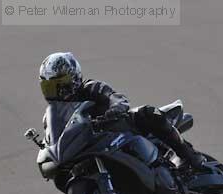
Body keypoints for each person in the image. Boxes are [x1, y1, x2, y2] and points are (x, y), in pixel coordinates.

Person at [38, 52, 206, 170]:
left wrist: (115, 109)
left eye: (59, 85)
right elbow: (53, 136)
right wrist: (48, 148)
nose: (55, 91)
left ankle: (189, 156)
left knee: (148, 113)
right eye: (49, 87)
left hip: (121, 129)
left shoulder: (91, 87)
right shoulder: (52, 114)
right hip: (91, 146)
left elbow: (116, 97)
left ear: (73, 78)